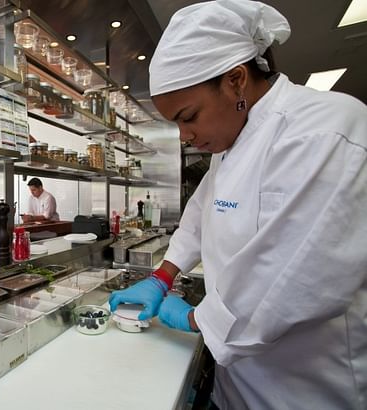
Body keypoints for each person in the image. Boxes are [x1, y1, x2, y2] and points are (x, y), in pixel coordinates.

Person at [108, 1, 367, 409]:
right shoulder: (231, 143)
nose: (184, 136)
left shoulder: (326, 130)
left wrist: (193, 318)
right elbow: (201, 214)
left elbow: (295, 282)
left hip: (305, 391)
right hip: (236, 387)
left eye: (188, 116)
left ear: (236, 81)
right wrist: (162, 276)